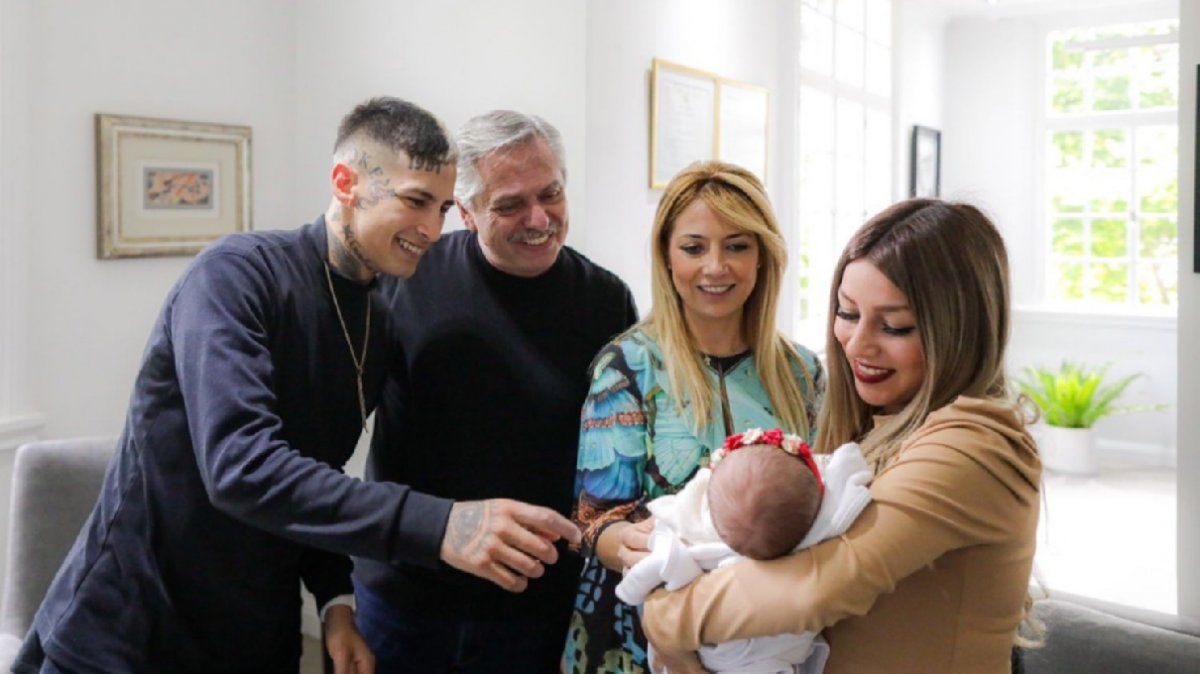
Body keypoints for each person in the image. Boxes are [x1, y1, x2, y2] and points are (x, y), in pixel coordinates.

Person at [14, 97, 580, 674]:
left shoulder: (378, 311)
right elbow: (241, 466)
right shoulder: (234, 276)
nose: (433, 231)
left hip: (256, 634)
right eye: (414, 202)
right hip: (130, 630)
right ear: (346, 183)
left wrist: (334, 597)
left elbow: (312, 469)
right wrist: (443, 524)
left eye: (440, 208)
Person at [642, 199, 1043, 674]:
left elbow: (817, 585)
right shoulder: (878, 424)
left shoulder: (975, 446)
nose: (857, 344)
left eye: (894, 326)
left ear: (959, 331)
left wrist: (664, 615)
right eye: (848, 313)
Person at [352, 110, 638, 673]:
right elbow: (329, 432)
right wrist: (333, 593)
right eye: (509, 205)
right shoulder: (405, 280)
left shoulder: (608, 302)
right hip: (407, 600)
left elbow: (617, 461)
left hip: (539, 608)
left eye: (551, 193)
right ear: (466, 212)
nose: (540, 218)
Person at [562, 161, 824, 674]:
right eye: (694, 247)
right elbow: (596, 522)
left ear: (764, 255)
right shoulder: (627, 366)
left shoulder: (803, 372)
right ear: (666, 255)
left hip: (765, 633)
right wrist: (679, 557)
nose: (716, 267)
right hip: (632, 638)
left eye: (737, 246)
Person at [615, 432, 871, 674]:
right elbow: (847, 471)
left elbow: (653, 568)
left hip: (714, 648)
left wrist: (638, 585)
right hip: (773, 652)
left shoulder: (695, 535)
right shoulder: (819, 529)